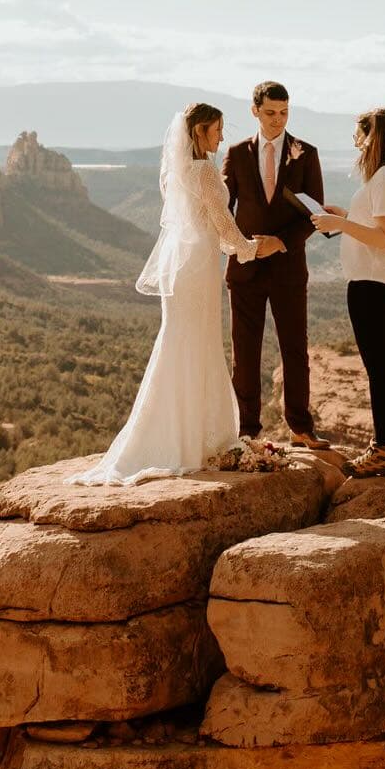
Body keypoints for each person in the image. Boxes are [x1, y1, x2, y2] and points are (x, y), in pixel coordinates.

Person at [72, 104, 285, 485]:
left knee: (181, 343)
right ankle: (190, 439)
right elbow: (224, 226)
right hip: (199, 267)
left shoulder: (179, 171)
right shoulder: (203, 170)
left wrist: (241, 246)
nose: (222, 137)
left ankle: (177, 433)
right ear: (200, 131)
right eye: (217, 130)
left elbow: (204, 225)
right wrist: (258, 247)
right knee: (196, 343)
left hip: (186, 265)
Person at [312, 109, 385, 476]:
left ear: (372, 136)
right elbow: (378, 226)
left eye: (358, 136)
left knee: (380, 370)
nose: (355, 143)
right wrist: (344, 217)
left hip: (375, 283)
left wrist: (340, 224)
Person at [223, 80, 326, 447]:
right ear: (255, 111)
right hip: (245, 269)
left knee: (295, 349)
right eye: (270, 113)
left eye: (284, 113)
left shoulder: (306, 154)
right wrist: (246, 247)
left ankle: (301, 427)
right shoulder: (236, 154)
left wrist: (279, 242)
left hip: (288, 269)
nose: (277, 120)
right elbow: (222, 212)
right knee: (244, 353)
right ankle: (247, 428)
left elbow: (314, 214)